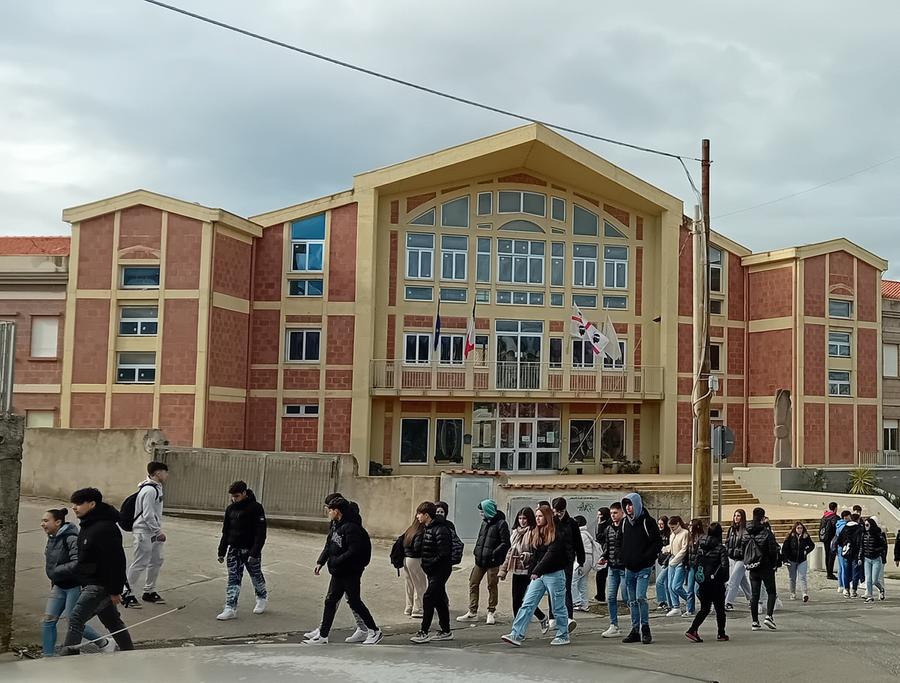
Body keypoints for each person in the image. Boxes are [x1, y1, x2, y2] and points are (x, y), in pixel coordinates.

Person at [60, 488, 134, 655]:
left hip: (99, 584)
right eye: (73, 504)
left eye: (79, 504)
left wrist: (115, 591)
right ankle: (130, 653)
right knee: (113, 622)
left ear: (92, 504)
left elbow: (116, 561)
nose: (74, 507)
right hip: (90, 582)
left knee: (76, 619)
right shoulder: (88, 525)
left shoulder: (105, 528)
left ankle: (67, 660)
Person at [303, 497, 381, 645]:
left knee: (354, 601)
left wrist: (336, 560)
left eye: (330, 510)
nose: (328, 513)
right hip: (338, 572)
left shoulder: (351, 528)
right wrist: (321, 561)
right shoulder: (335, 526)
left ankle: (374, 631)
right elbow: (329, 546)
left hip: (350, 571)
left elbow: (354, 550)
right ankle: (323, 635)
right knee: (330, 601)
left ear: (337, 511)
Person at [40, 508, 111, 656]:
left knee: (74, 623)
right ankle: (47, 657)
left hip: (74, 586)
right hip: (59, 586)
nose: (42, 524)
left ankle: (104, 642)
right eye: (42, 521)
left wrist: (57, 571)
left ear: (58, 522)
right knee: (48, 621)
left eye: (46, 521)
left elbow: (78, 562)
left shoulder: (70, 538)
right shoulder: (52, 538)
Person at [500, 503, 571, 647]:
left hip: (555, 574)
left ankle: (563, 634)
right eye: (536, 516)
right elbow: (535, 555)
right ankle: (516, 634)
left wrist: (536, 571)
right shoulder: (537, 533)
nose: (537, 519)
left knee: (558, 607)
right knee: (527, 603)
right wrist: (533, 571)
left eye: (540, 516)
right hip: (539, 575)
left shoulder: (557, 532)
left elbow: (551, 555)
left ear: (547, 517)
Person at [215, 481, 268, 621]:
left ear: (244, 493)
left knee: (256, 576)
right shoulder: (230, 509)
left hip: (250, 549)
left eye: (237, 496)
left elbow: (261, 532)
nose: (234, 499)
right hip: (234, 549)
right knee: (233, 579)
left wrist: (255, 552)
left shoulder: (256, 508)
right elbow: (225, 531)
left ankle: (261, 597)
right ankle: (230, 607)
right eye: (232, 496)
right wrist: (222, 550)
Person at [122, 461, 169, 609]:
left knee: (157, 559)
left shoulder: (157, 488)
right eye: (165, 472)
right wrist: (158, 532)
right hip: (143, 531)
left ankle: (149, 591)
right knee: (140, 562)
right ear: (157, 473)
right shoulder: (149, 491)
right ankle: (126, 593)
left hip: (151, 531)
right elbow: (148, 515)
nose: (167, 475)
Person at [457, 499, 510, 625]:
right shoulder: (484, 523)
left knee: (492, 585)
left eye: (482, 511)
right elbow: (480, 539)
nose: (481, 514)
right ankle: (472, 611)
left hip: (492, 561)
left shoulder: (501, 524)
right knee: (473, 583)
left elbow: (505, 543)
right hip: (479, 560)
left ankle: (491, 611)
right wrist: (477, 551)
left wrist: (494, 553)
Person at [620, 493, 662, 644]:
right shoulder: (625, 523)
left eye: (630, 504)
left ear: (637, 505)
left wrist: (645, 558)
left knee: (640, 597)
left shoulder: (647, 522)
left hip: (643, 567)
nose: (628, 508)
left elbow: (657, 543)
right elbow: (620, 542)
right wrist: (622, 558)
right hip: (629, 568)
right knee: (631, 600)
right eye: (626, 505)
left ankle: (645, 628)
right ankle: (634, 629)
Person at [499, 507, 549, 633]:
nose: (522, 521)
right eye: (520, 518)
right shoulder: (515, 533)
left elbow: (536, 552)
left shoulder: (533, 532)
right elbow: (510, 552)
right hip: (516, 569)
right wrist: (503, 570)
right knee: (516, 600)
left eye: (524, 518)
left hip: (529, 570)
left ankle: (538, 619)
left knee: (527, 600)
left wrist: (526, 556)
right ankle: (518, 628)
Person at [411, 502, 455, 644]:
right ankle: (446, 630)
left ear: (426, 515)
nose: (417, 516)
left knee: (429, 598)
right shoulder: (427, 528)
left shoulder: (441, 529)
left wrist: (430, 562)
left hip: (440, 570)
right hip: (431, 570)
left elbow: (444, 553)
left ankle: (423, 631)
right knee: (440, 600)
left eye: (419, 514)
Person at [685, 522, 730, 643]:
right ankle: (721, 633)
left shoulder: (701, 546)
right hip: (716, 582)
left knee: (704, 608)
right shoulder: (721, 548)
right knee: (720, 609)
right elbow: (725, 567)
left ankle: (692, 629)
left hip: (703, 581)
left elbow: (695, 563)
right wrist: (724, 579)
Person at [549, 497, 584, 629]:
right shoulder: (550, 522)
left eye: (561, 511)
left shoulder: (572, 523)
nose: (558, 514)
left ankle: (569, 617)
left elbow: (578, 543)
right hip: (551, 560)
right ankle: (552, 616)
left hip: (567, 560)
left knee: (566, 588)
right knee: (552, 588)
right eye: (556, 511)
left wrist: (581, 560)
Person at [745, 507, 780, 631]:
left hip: (752, 566)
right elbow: (772, 550)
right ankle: (769, 616)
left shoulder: (746, 531)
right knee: (771, 591)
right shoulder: (766, 532)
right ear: (763, 517)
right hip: (765, 565)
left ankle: (755, 621)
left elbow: (743, 547)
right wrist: (774, 564)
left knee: (755, 594)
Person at [600, 502, 625, 638]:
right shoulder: (608, 528)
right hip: (612, 567)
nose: (613, 516)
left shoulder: (626, 527)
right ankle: (613, 625)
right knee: (610, 597)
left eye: (615, 513)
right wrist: (604, 557)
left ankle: (637, 624)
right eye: (611, 513)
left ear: (622, 513)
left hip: (625, 567)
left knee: (628, 597)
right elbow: (607, 546)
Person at [724, 509, 752, 610]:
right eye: (735, 515)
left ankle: (728, 602)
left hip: (743, 558)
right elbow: (727, 541)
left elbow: (748, 544)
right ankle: (751, 599)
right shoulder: (731, 529)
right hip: (734, 557)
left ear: (742, 517)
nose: (736, 517)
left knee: (733, 580)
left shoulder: (745, 530)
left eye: (738, 516)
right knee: (742, 580)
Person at [781, 522, 815, 602]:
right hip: (791, 560)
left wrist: (806, 551)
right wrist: (785, 559)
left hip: (802, 559)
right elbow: (785, 549)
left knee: (802, 577)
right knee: (792, 577)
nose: (800, 530)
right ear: (795, 529)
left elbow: (812, 545)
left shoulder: (805, 536)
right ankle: (792, 592)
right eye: (798, 528)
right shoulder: (790, 536)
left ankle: (804, 594)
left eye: (801, 528)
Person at [571, 515, 599, 612]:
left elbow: (577, 549)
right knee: (582, 583)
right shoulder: (585, 533)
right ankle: (584, 604)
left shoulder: (581, 535)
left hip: (582, 560)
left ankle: (577, 602)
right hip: (587, 560)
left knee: (573, 580)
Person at [400, 515, 426, 618]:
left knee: (409, 585)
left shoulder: (410, 529)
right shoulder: (421, 531)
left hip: (406, 559)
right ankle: (418, 609)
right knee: (420, 585)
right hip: (416, 559)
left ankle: (408, 607)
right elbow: (417, 547)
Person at [665, 516, 690, 617]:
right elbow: (671, 546)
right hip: (672, 559)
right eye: (670, 528)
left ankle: (689, 599)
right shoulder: (672, 534)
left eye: (673, 527)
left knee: (676, 586)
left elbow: (684, 549)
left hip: (680, 562)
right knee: (670, 586)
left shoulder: (685, 533)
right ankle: (676, 607)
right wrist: (665, 549)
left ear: (678, 524)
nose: (672, 529)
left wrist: (674, 561)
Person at [860, 517, 886, 603]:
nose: (866, 527)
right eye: (865, 525)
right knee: (868, 579)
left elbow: (883, 546)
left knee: (874, 580)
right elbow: (861, 547)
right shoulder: (863, 534)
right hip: (867, 559)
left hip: (876, 559)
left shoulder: (877, 534)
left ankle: (881, 589)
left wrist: (876, 550)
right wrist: (860, 558)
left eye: (867, 525)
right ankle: (870, 596)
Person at [837, 512, 864, 598]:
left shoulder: (845, 528)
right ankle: (854, 590)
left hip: (846, 552)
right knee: (855, 572)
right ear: (858, 520)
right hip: (855, 553)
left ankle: (846, 589)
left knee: (846, 571)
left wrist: (845, 545)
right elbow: (860, 541)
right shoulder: (859, 528)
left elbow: (839, 540)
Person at [683, 518, 705, 617]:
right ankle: (690, 609)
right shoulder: (690, 538)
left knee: (698, 590)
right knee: (690, 588)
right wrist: (686, 563)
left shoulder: (702, 538)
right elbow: (688, 552)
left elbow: (701, 553)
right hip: (691, 566)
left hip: (699, 566)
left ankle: (706, 603)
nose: (689, 527)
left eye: (691, 525)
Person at [818, 502, 839, 580]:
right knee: (831, 556)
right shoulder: (834, 517)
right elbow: (836, 527)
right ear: (835, 508)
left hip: (825, 538)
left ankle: (828, 572)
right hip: (832, 539)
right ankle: (830, 573)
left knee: (827, 555)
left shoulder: (824, 516)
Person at [594, 507, 611, 602]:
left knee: (601, 575)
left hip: (605, 552)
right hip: (604, 551)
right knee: (601, 575)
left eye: (600, 514)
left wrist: (600, 524)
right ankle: (600, 595)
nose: (598, 516)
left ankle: (601, 596)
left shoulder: (605, 525)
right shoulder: (605, 523)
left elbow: (599, 536)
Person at [655, 516, 671, 611]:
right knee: (665, 583)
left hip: (668, 560)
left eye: (662, 524)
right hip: (661, 560)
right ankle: (668, 603)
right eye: (659, 524)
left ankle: (663, 601)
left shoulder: (669, 534)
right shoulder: (658, 534)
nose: (660, 526)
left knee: (659, 582)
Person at [834, 510, 851, 594]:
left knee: (840, 567)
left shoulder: (838, 524)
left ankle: (840, 585)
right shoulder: (844, 526)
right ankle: (844, 585)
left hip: (839, 547)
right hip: (843, 547)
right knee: (844, 567)